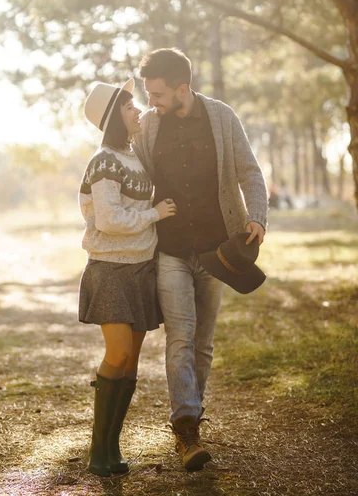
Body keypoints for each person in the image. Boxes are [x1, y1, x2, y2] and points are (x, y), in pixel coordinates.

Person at [133, 48, 268, 471]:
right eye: (147, 94)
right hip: (170, 248)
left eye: (156, 93)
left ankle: (193, 412)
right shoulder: (149, 126)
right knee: (180, 337)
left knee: (203, 344)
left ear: (182, 89)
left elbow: (249, 171)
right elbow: (126, 164)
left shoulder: (222, 117)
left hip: (217, 252)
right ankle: (186, 429)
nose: (150, 101)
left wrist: (258, 217)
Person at [78, 78, 177, 477]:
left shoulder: (133, 156)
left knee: (132, 361)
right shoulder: (104, 160)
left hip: (140, 269)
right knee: (117, 355)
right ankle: (96, 449)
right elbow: (109, 219)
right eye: (130, 107)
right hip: (111, 270)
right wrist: (155, 213)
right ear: (114, 117)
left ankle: (111, 449)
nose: (138, 111)